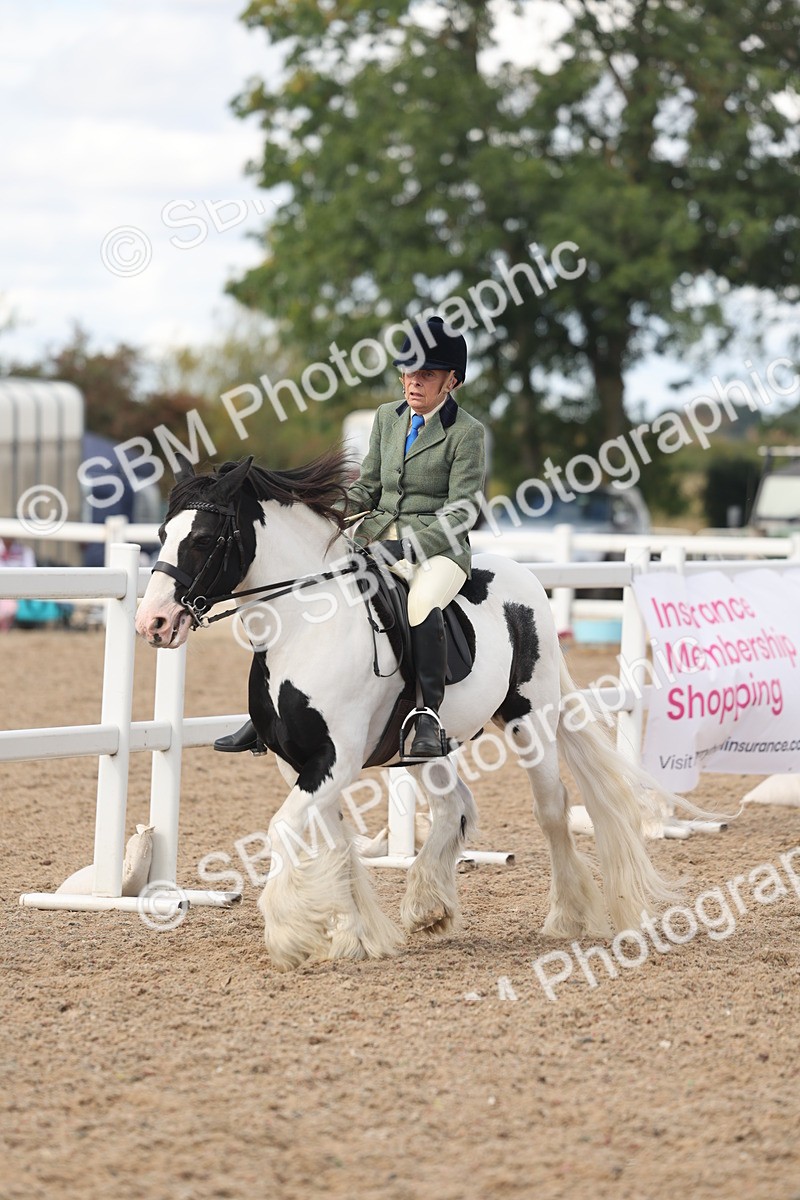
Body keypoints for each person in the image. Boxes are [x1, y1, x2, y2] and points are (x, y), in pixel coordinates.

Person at [214, 314, 485, 760]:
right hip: (378, 536)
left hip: (439, 548)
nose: (414, 383)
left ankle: (427, 715)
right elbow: (368, 487)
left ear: (451, 381)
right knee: (310, 586)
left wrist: (413, 545)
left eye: (427, 375)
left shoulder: (465, 433)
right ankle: (266, 710)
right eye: (409, 372)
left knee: (419, 603)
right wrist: (322, 513)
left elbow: (462, 511)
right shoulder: (387, 418)